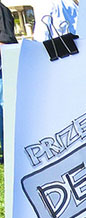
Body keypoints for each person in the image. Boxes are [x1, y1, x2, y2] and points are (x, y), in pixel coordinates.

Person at [0, 1, 17, 161]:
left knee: (5, 114)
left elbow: (5, 42)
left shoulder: (1, 10)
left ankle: (9, 154)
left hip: (2, 72)